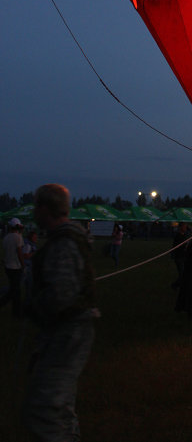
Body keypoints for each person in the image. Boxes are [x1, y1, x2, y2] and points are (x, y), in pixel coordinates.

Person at [24, 183, 98, 442]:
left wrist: (32, 306)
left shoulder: (63, 243)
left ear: (45, 209)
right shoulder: (67, 239)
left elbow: (62, 295)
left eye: (36, 207)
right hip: (70, 330)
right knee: (61, 402)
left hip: (68, 331)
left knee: (46, 406)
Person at [0, 217, 24, 317]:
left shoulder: (6, 238)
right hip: (16, 267)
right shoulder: (18, 237)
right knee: (15, 290)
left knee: (14, 289)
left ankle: (15, 311)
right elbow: (19, 252)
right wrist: (23, 264)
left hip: (8, 266)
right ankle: (15, 311)